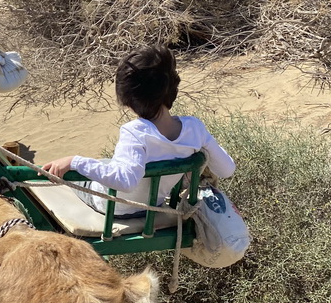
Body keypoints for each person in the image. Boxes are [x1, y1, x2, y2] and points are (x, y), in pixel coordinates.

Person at [44, 46, 236, 217]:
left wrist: (74, 161)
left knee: (77, 178)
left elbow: (125, 181)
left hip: (116, 208)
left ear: (129, 99)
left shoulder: (136, 132)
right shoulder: (195, 128)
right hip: (154, 204)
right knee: (104, 163)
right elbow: (226, 169)